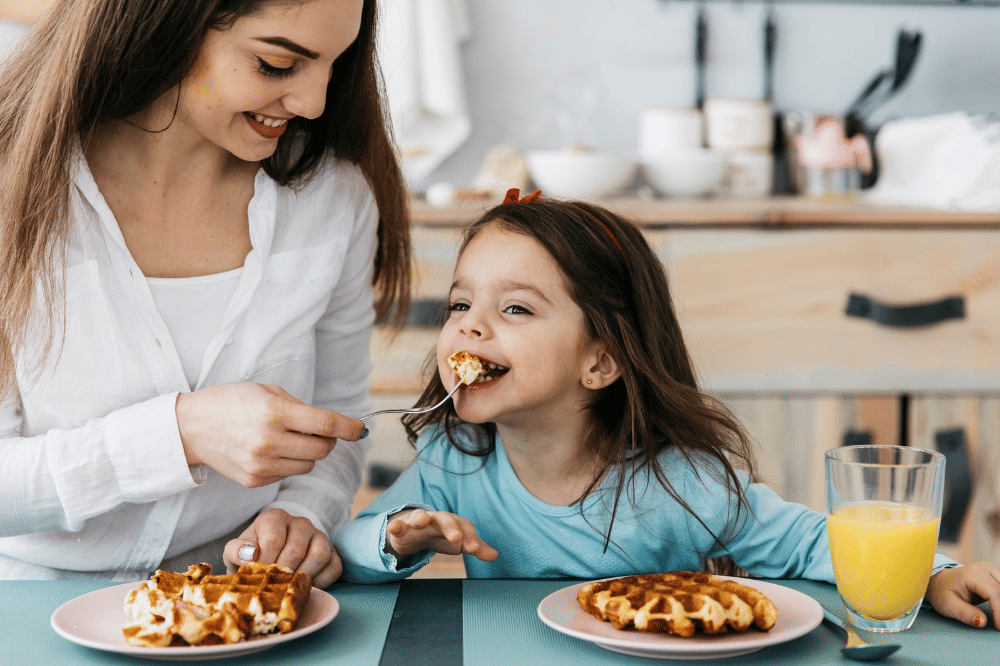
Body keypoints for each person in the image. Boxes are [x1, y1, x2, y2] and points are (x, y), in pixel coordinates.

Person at [334, 190, 1000, 630]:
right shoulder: (456, 461)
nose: (469, 327)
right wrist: (395, 538)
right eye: (459, 304)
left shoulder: (680, 481)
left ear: (601, 361)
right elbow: (351, 551)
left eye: (514, 308)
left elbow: (806, 543)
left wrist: (937, 574)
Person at [0, 0, 411, 588]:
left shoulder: (333, 198)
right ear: (165, 22)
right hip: (26, 604)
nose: (314, 103)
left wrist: (303, 514)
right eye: (276, 64)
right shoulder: (12, 187)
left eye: (335, 64)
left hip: (237, 598)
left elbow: (339, 420)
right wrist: (181, 433)